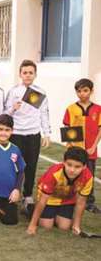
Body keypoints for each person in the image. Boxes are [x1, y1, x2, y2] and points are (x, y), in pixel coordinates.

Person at [5, 60, 51, 212]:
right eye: (25, 72)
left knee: (31, 166)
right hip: (17, 134)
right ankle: (11, 194)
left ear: (35, 74)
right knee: (14, 167)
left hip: (33, 135)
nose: (28, 75)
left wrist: (47, 134)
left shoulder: (40, 92)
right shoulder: (13, 91)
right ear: (20, 74)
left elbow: (44, 113)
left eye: (31, 72)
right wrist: (13, 108)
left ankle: (28, 196)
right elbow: (5, 114)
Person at [26, 147, 93, 236]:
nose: (72, 170)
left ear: (84, 166)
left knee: (64, 227)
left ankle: (56, 215)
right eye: (69, 165)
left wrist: (76, 225)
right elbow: (43, 200)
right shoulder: (54, 173)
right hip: (49, 199)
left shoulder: (88, 177)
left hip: (67, 201)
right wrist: (32, 224)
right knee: (46, 226)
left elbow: (81, 202)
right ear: (64, 162)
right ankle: (30, 208)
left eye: (77, 167)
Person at [63, 78, 101, 213]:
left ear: (91, 91)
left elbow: (100, 130)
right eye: (79, 91)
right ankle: (69, 199)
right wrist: (74, 146)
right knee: (71, 174)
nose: (82, 94)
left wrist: (93, 146)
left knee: (89, 175)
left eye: (85, 91)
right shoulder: (71, 108)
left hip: (90, 150)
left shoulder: (98, 109)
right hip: (74, 150)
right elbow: (67, 128)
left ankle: (89, 202)